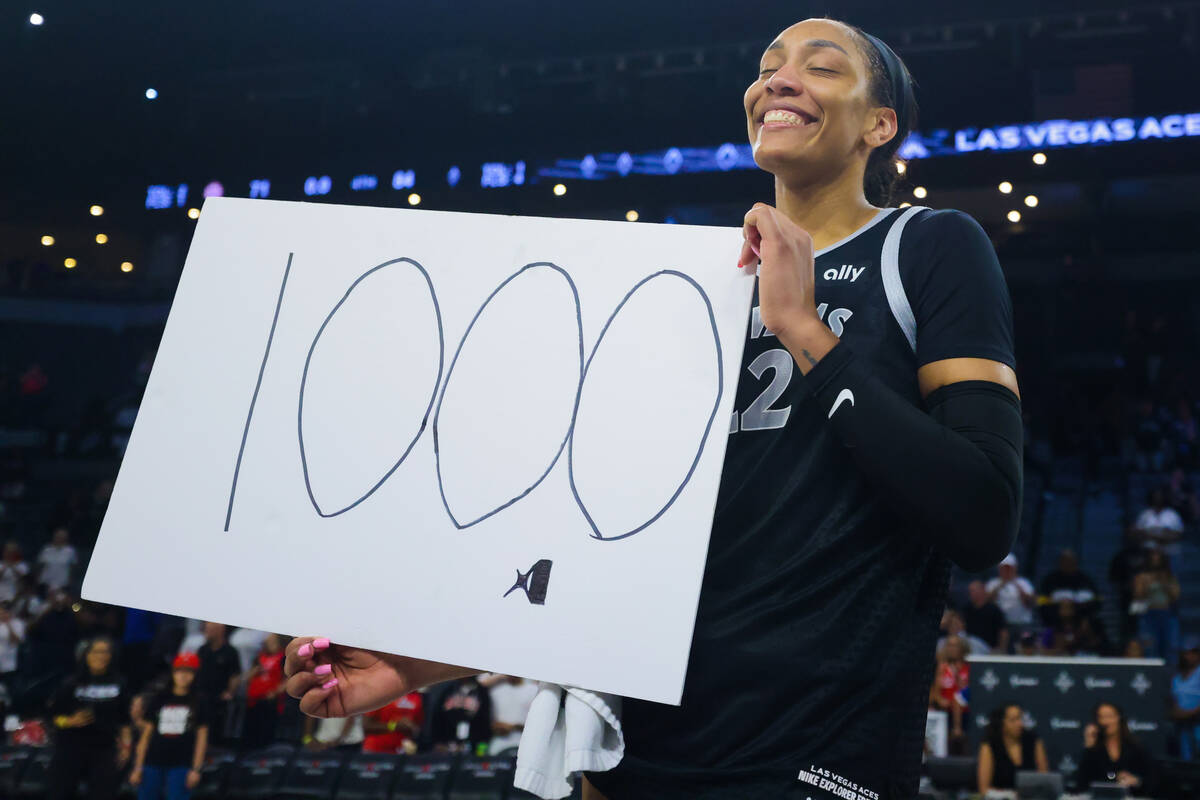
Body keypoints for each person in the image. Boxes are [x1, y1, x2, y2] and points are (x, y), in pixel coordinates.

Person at [283, 16, 1024, 800]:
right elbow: (619, 553)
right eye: (768, 65)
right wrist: (418, 662)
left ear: (881, 124)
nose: (777, 78)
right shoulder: (689, 292)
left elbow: (982, 514)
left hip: (811, 755)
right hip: (633, 755)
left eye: (822, 65)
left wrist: (803, 331)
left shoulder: (928, 246)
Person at [46, 636, 132, 800]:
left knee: (103, 793)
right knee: (61, 792)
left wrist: (126, 746)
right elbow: (51, 718)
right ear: (86, 655)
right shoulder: (71, 683)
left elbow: (124, 719)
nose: (101, 656)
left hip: (103, 748)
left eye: (105, 652)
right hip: (70, 747)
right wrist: (70, 721)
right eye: (96, 651)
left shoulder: (119, 683)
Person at [130, 652, 209, 800]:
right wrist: (138, 767)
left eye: (189, 671)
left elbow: (202, 738)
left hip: (181, 763)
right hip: (153, 760)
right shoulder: (159, 698)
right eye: (179, 671)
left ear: (195, 675)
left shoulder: (199, 701)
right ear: (173, 673)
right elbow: (146, 735)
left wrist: (196, 769)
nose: (183, 676)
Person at [1077, 702, 1157, 793]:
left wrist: (1136, 781)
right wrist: (1089, 746)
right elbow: (1081, 783)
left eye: (1109, 716)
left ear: (1119, 718)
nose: (1105, 721)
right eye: (1101, 717)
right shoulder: (1093, 750)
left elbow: (1151, 778)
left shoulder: (1135, 746)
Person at [976, 704, 1048, 794]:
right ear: (1001, 723)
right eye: (1013, 720)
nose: (1019, 724)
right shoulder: (989, 745)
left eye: (1020, 719)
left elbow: (1046, 781)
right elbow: (984, 789)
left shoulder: (1034, 741)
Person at [193, 622, 240, 744]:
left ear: (220, 630)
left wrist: (230, 692)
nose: (206, 632)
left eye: (210, 629)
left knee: (216, 729)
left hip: (219, 698)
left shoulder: (230, 651)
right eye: (206, 629)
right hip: (201, 696)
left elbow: (235, 675)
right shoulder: (202, 650)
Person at [1133, 548, 1180, 663]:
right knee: (1150, 648)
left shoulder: (1169, 577)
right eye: (1153, 556)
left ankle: (1169, 675)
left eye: (1158, 556)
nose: (1155, 559)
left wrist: (1164, 583)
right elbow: (1138, 595)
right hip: (1149, 614)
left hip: (1166, 614)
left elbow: (1176, 595)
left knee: (1169, 647)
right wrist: (1148, 583)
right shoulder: (1142, 576)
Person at [241, 632, 286, 750]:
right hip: (253, 701)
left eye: (272, 641)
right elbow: (246, 678)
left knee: (265, 734)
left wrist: (275, 692)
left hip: (270, 702)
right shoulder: (259, 657)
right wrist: (254, 672)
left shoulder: (283, 658)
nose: (269, 644)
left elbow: (287, 680)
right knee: (249, 732)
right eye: (268, 642)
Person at [929, 636, 970, 755]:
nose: (952, 648)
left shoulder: (968, 667)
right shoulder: (942, 668)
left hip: (965, 713)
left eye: (955, 645)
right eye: (949, 645)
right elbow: (935, 694)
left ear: (962, 648)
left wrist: (957, 676)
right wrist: (941, 701)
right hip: (946, 712)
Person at [480, 674, 539, 755]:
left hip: (525, 741)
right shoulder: (496, 691)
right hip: (500, 742)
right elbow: (481, 682)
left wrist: (513, 727)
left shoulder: (533, 690)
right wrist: (497, 727)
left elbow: (537, 724)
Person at [1038, 549, 1099, 617]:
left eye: (1071, 561)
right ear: (1060, 562)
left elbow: (1097, 601)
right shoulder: (1049, 580)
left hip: (1082, 620)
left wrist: (1077, 610)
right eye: (1065, 561)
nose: (1068, 564)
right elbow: (1041, 602)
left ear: (1076, 562)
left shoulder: (1086, 580)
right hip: (1055, 621)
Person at [986, 554, 1036, 628]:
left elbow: (1031, 603)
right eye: (1004, 568)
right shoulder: (992, 583)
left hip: (1021, 623)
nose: (1006, 571)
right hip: (999, 625)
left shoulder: (1024, 583)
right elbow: (987, 602)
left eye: (1009, 568)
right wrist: (1001, 584)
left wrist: (1016, 583)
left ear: (1014, 568)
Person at [1170, 638, 1200, 760]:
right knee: (1185, 758)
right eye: (1186, 653)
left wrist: (1191, 713)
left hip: (1197, 722)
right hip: (1182, 725)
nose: (1189, 656)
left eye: (1193, 653)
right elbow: (1174, 701)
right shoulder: (1176, 678)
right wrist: (1179, 714)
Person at [962, 580, 1009, 653]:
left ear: (982, 591)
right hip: (969, 645)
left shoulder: (994, 610)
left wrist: (1001, 649)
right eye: (970, 591)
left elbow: (1003, 631)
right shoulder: (966, 609)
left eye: (974, 591)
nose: (971, 593)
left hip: (989, 648)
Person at [37, 527, 79, 592]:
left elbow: (73, 568)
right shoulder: (46, 549)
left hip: (63, 584)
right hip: (46, 583)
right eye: (58, 536)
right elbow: (40, 565)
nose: (60, 539)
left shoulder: (70, 551)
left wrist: (71, 582)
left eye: (62, 537)